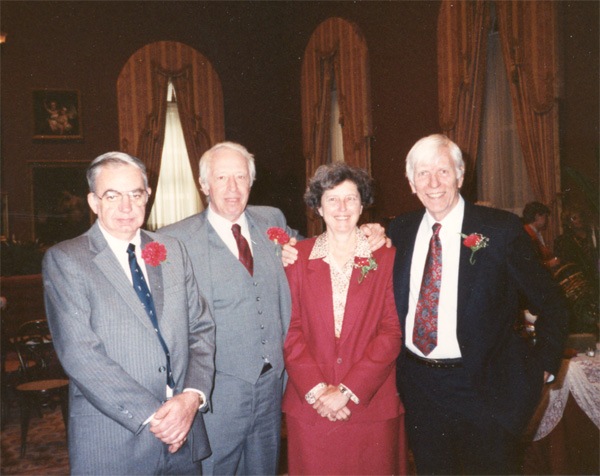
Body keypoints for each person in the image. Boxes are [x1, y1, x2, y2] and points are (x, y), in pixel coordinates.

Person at [159, 142, 387, 476]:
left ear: (251, 182)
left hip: (272, 389)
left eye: (241, 177)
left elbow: (321, 248)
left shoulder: (272, 222)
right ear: (204, 185)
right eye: (221, 178)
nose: (232, 188)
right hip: (215, 395)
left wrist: (368, 231)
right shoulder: (174, 240)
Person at [389, 134, 568, 475]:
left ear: (460, 175)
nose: (434, 183)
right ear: (411, 183)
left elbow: (552, 303)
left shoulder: (500, 230)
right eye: (423, 174)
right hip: (420, 390)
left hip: (484, 391)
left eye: (443, 171)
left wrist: (543, 366)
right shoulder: (399, 230)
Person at [43, 152, 215, 475]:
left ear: (148, 196)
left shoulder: (173, 251)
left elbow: (201, 330)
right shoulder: (66, 260)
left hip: (184, 436)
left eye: (135, 194)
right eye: (112, 196)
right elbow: (81, 355)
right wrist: (159, 418)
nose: (126, 207)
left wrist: (191, 398)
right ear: (93, 202)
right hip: (115, 442)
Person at [283, 163, 407, 475]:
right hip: (312, 408)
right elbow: (289, 331)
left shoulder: (387, 258)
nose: (342, 208)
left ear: (363, 204)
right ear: (318, 207)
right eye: (331, 199)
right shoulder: (296, 259)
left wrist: (347, 391)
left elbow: (392, 332)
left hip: (371, 405)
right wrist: (318, 391)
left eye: (351, 199)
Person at [522, 201, 558, 268]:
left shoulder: (536, 233)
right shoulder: (527, 234)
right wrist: (549, 264)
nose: (547, 220)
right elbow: (529, 263)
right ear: (537, 216)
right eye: (546, 216)